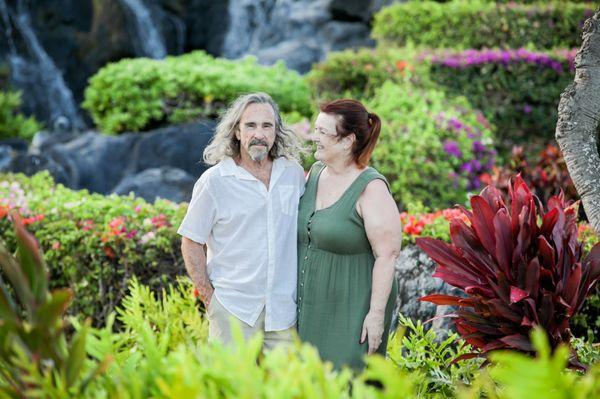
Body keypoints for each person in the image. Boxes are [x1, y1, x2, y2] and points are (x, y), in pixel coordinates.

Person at [178, 92, 305, 349]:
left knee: (286, 388)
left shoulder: (292, 174)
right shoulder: (215, 181)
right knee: (231, 389)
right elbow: (191, 242)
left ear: (276, 132)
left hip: (283, 312)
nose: (259, 133)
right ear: (236, 131)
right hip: (232, 310)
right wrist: (210, 302)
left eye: (267, 126)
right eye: (250, 125)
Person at [297, 99, 401, 370]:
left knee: (349, 382)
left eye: (322, 132)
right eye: (315, 129)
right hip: (311, 305)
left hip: (352, 309)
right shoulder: (316, 173)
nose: (314, 137)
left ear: (347, 141)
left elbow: (387, 255)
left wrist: (376, 315)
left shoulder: (371, 188)